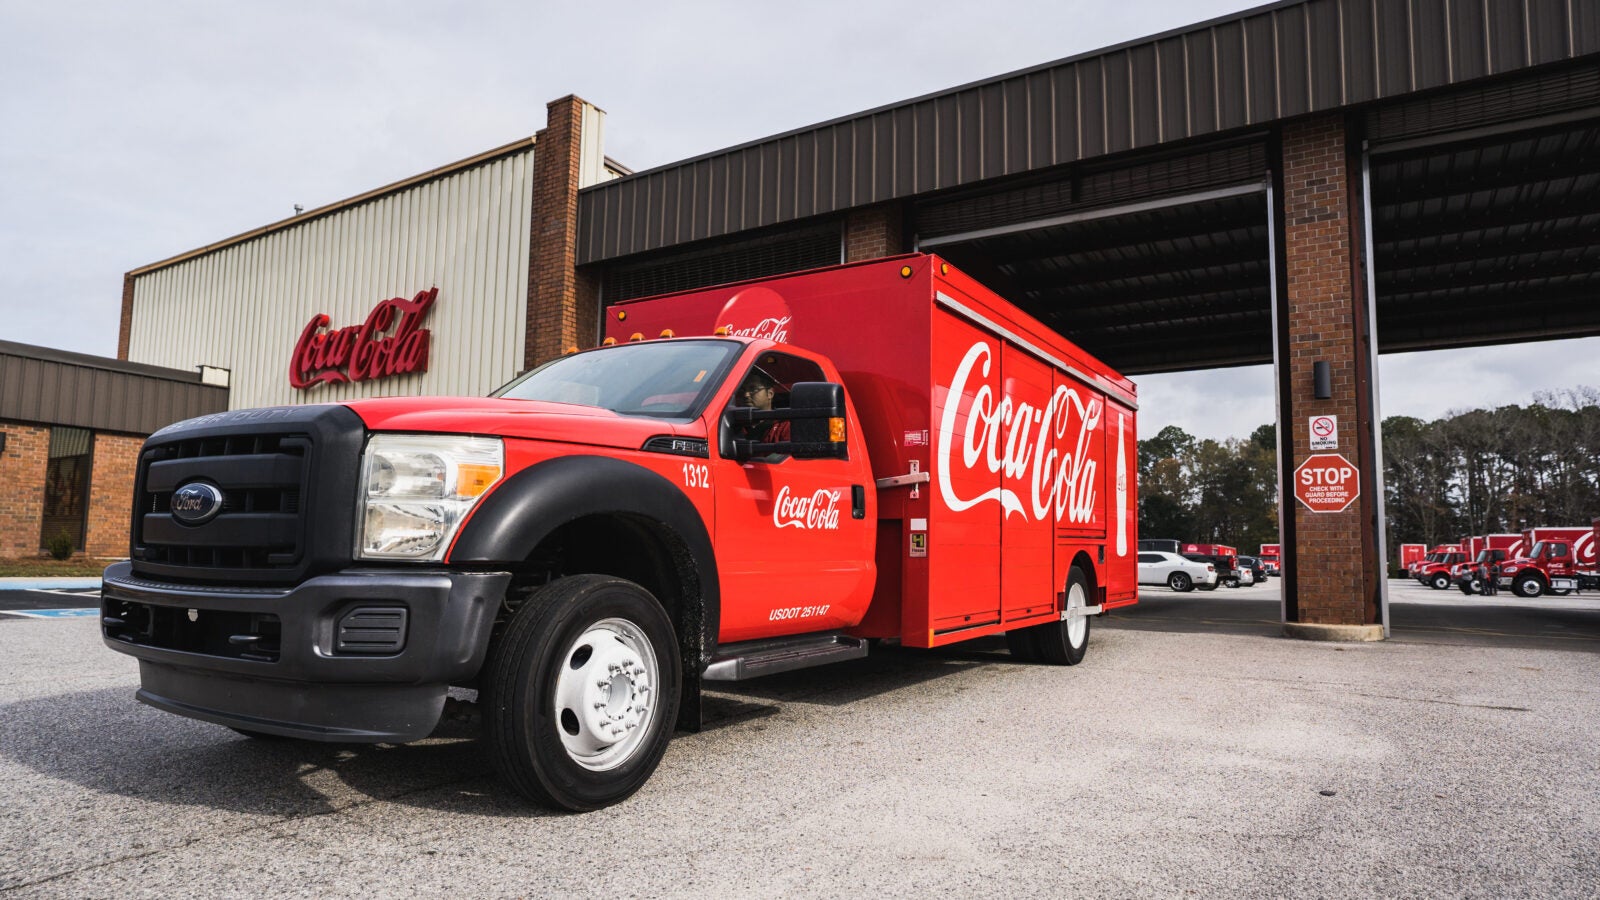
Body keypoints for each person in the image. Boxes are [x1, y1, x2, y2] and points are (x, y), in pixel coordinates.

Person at [735, 368, 790, 443]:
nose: (746, 395)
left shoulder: (785, 427)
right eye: (742, 390)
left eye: (753, 389)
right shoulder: (732, 427)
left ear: (770, 393)